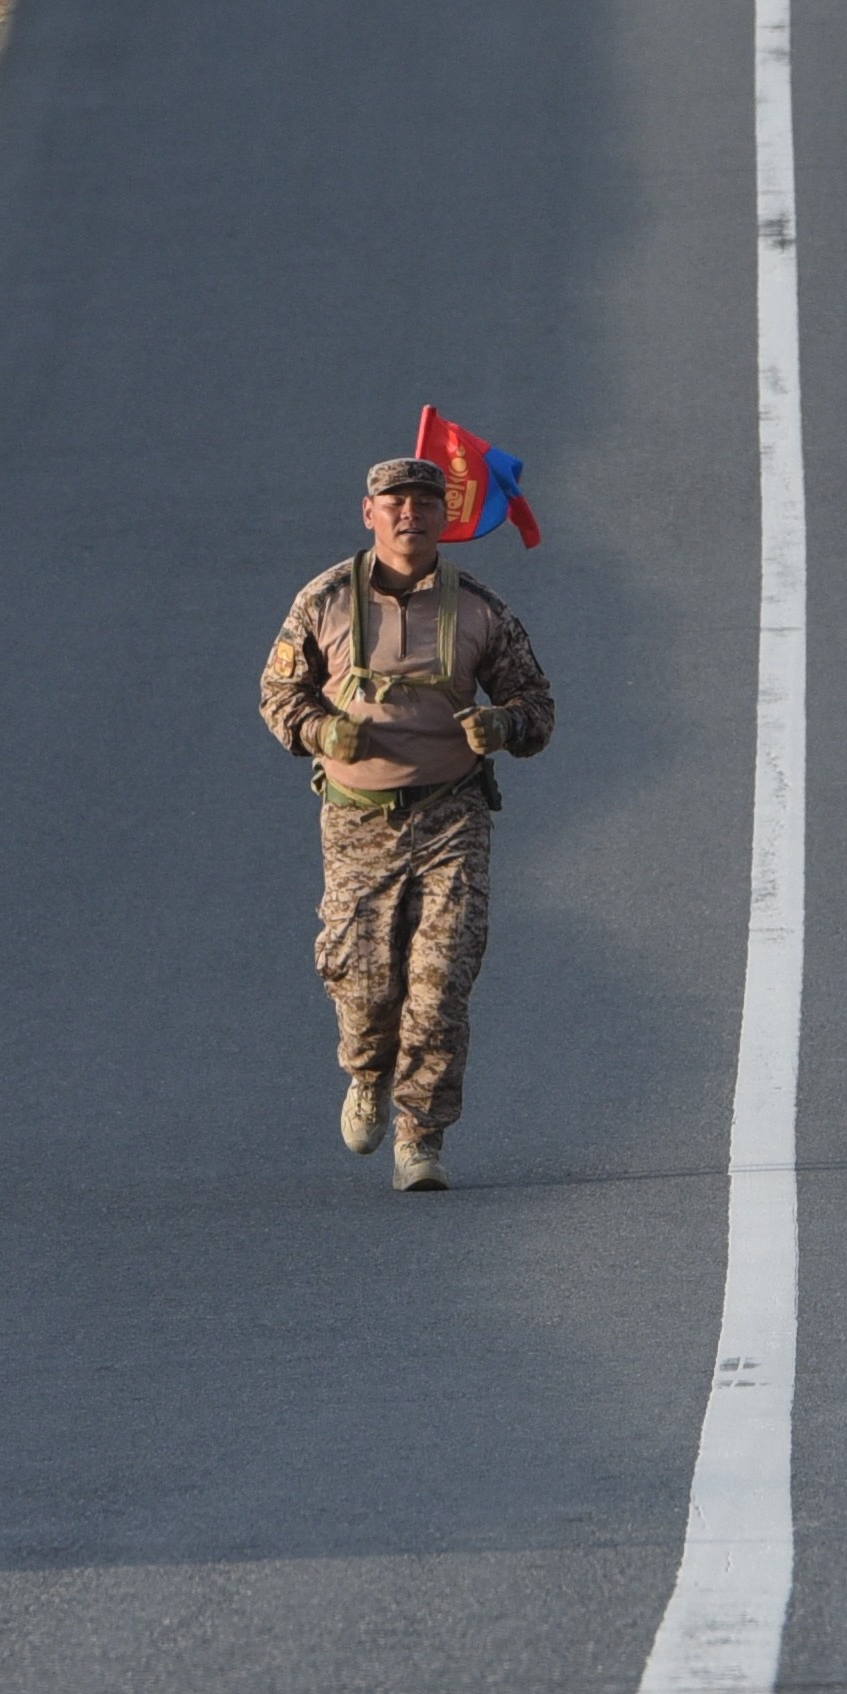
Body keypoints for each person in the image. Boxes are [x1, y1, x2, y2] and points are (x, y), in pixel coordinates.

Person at [263, 452, 556, 1190]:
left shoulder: (481, 608)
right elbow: (278, 694)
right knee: (365, 988)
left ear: (443, 517)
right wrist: (322, 734)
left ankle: (420, 1138)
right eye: (393, 502)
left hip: (450, 815)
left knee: (441, 981)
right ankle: (367, 1074)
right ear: (370, 514)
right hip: (358, 822)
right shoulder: (325, 601)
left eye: (425, 503)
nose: (409, 514)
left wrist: (503, 725)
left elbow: (537, 708)